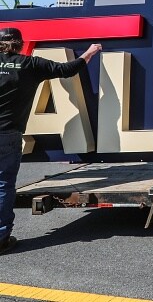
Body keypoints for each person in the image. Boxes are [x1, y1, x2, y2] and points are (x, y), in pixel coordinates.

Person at [0, 27, 101, 255]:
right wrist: (90, 52)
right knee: (3, 185)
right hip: (7, 135)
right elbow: (67, 69)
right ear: (19, 44)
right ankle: (1, 239)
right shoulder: (30, 65)